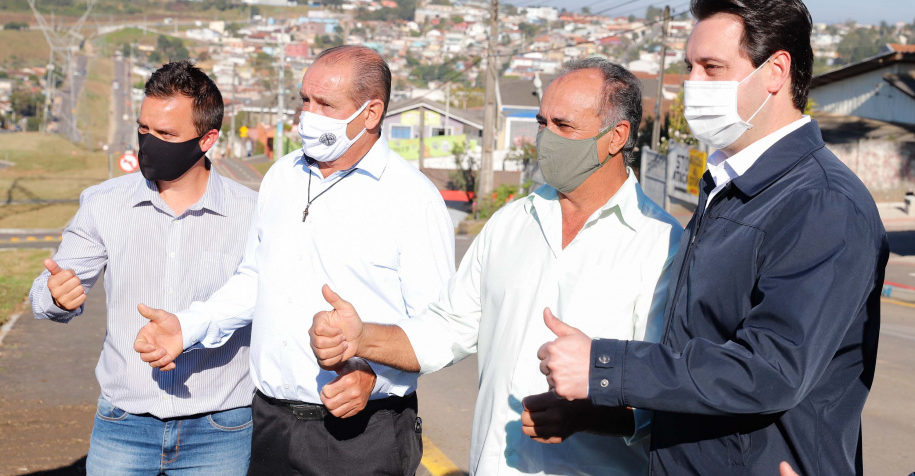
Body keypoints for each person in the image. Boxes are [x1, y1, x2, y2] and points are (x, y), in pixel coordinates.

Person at [538, 0, 889, 476]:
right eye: (689, 66)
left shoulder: (821, 202)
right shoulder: (731, 186)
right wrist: (605, 410)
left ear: (776, 72)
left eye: (713, 68)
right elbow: (698, 358)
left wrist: (606, 366)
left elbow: (770, 370)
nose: (692, 84)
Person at [309, 57, 684, 475]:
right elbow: (447, 328)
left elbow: (667, 394)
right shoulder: (511, 222)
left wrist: (585, 416)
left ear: (616, 136)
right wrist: (362, 338)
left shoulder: (661, 244)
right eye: (542, 123)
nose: (545, 139)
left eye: (564, 126)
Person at [133, 45, 455, 476]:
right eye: (305, 100)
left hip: (360, 436)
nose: (309, 115)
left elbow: (439, 329)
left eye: (325, 103)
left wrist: (374, 376)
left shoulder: (413, 199)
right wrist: (188, 327)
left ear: (371, 112)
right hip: (269, 426)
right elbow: (255, 278)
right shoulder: (282, 176)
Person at [29, 61, 258, 475]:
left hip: (218, 429)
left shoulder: (252, 213)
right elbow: (46, 292)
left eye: (167, 134)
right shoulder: (103, 203)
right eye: (144, 129)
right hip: (124, 424)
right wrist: (57, 295)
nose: (149, 143)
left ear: (207, 139)